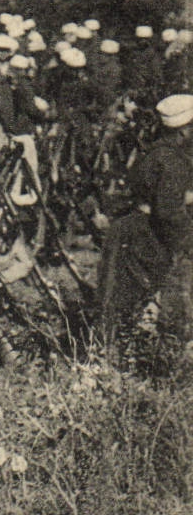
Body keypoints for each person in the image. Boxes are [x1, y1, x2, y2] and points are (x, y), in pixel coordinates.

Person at [95, 94, 193, 344]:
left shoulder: (153, 151)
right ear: (183, 131)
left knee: (116, 303)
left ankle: (111, 357)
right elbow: (169, 212)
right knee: (137, 300)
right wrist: (187, 239)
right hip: (145, 235)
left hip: (129, 228)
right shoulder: (174, 161)